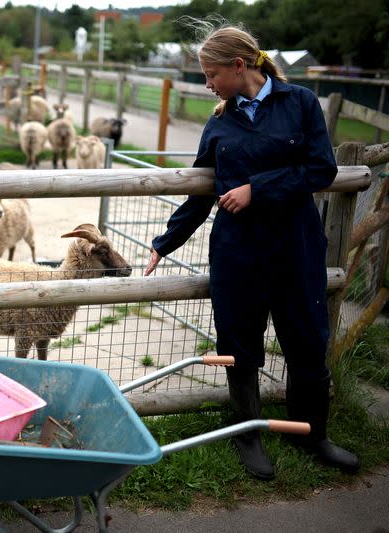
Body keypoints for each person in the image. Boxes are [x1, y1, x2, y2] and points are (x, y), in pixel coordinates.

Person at [143, 22, 359, 480]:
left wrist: (255, 190)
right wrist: (166, 242)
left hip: (296, 249)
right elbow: (202, 192)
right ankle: (249, 439)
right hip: (238, 255)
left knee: (306, 342)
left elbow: (321, 168)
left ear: (238, 66)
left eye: (210, 73)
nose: (207, 84)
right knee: (240, 347)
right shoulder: (220, 121)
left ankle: (311, 435)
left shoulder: (299, 103)